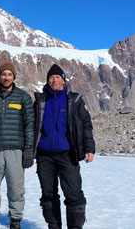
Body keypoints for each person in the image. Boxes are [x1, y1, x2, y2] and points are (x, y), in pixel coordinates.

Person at [33, 64, 95, 229]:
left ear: (63, 80)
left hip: (68, 154)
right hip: (44, 155)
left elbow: (86, 124)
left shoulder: (74, 100)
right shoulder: (41, 100)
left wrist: (89, 148)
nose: (54, 80)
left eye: (57, 77)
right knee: (48, 195)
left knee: (73, 194)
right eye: (51, 77)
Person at [0, 62, 34, 229]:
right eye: (4, 74)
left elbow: (29, 124)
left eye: (9, 75)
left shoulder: (23, 97)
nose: (6, 77)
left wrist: (28, 149)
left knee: (16, 188)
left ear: (14, 77)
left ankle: (15, 220)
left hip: (15, 150)